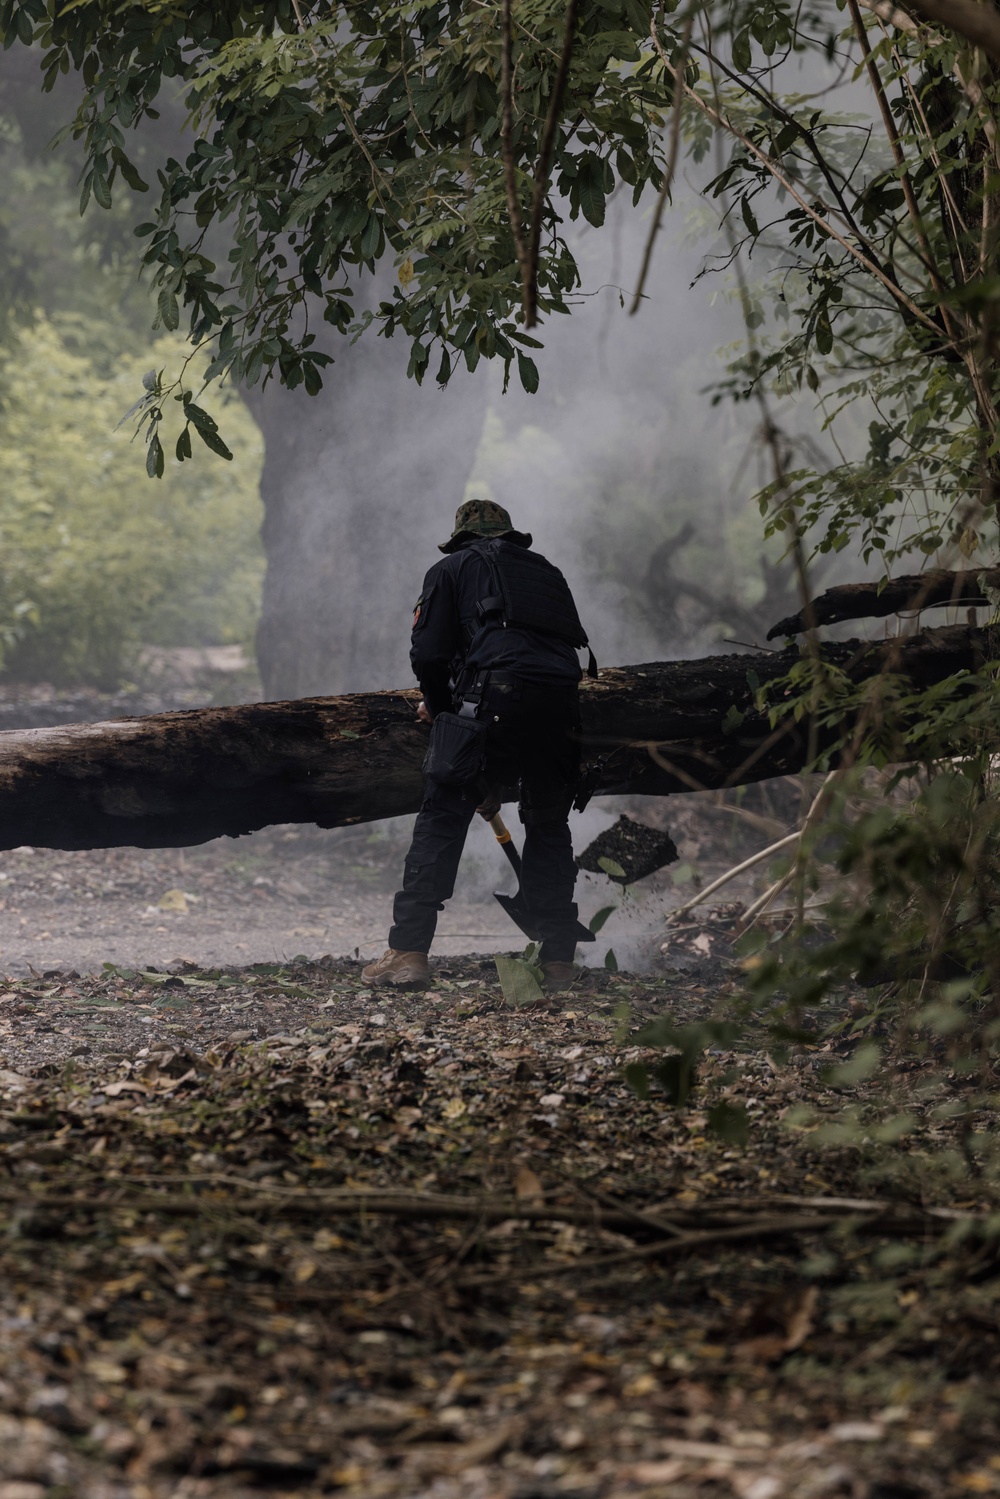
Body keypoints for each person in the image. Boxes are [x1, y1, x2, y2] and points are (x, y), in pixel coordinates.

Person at [362, 499, 593, 992]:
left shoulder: (449, 568)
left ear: (461, 536)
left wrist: (442, 712)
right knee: (549, 824)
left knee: (442, 816)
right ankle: (557, 961)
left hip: (491, 700)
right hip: (561, 707)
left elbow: (428, 653)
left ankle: (408, 950)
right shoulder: (546, 571)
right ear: (511, 535)